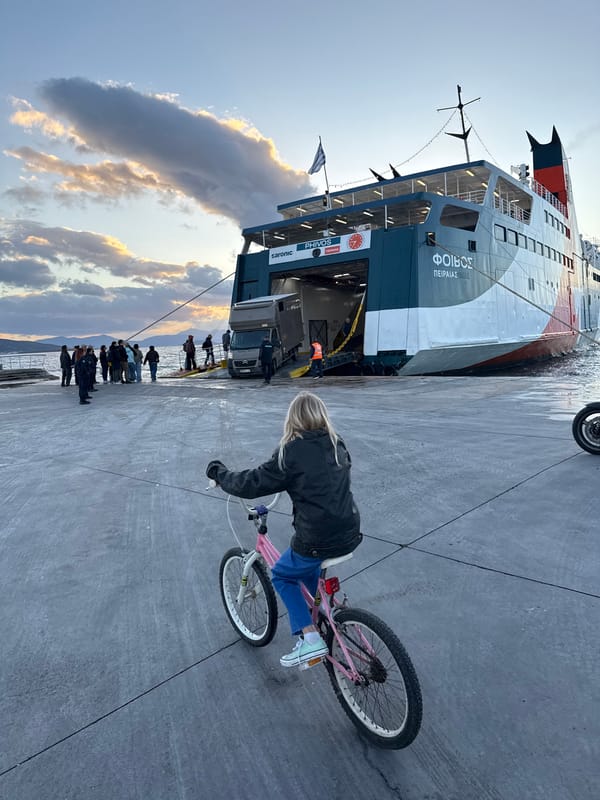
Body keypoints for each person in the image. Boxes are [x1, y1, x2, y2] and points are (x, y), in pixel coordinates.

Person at [206, 392, 362, 668]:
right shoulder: (338, 444)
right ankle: (319, 612)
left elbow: (251, 483)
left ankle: (311, 639)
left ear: (293, 419)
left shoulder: (291, 452)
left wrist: (219, 473)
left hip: (318, 537)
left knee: (281, 575)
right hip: (349, 531)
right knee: (307, 566)